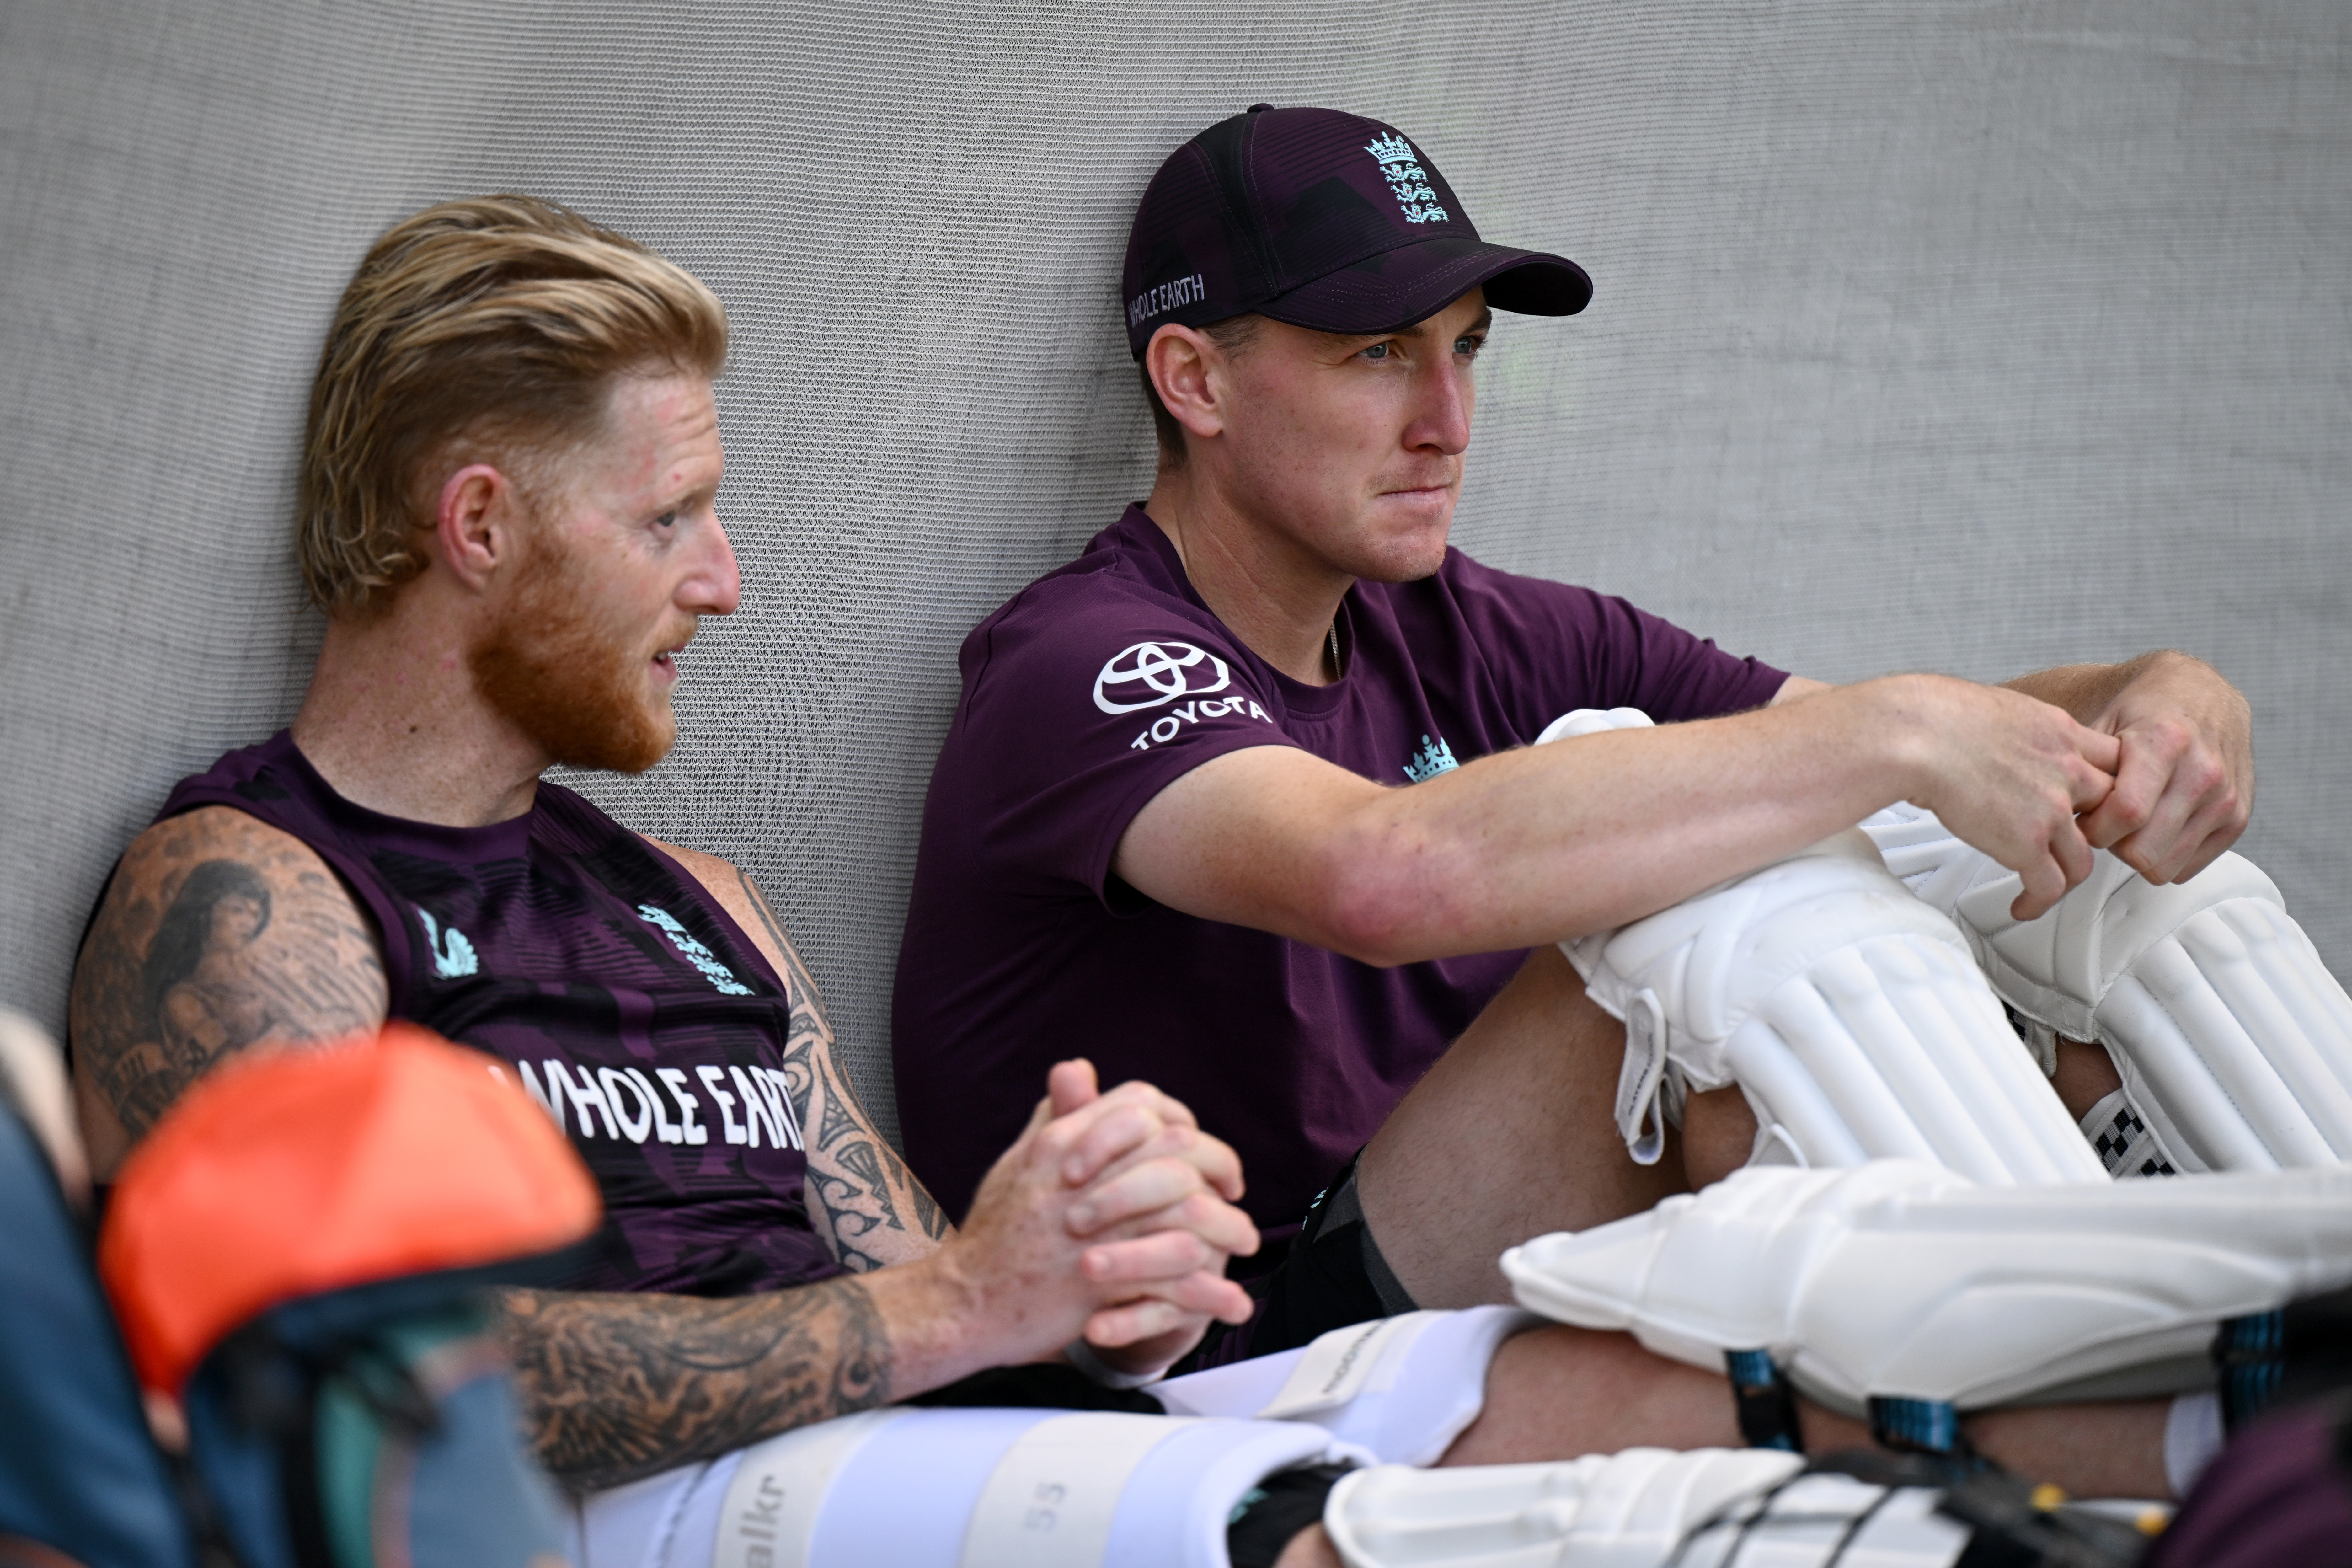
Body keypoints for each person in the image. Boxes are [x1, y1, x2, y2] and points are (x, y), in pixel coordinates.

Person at [59, 195, 2198, 1565]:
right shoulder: (251, 896)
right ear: (480, 527)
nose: (725, 581)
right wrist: (954, 1307)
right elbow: (333, 1412)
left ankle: (2240, 1467)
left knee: (1692, 1397)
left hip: (903, 1425)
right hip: (623, 1518)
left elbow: (933, 1288)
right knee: (1495, 1537)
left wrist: (1084, 1273)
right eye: (670, 522)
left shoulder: (692, 900)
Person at [889, 103, 2269, 1362]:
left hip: (1473, 1271)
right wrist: (1900, 733)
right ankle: (2108, 1387)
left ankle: (2259, 1352)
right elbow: (1378, 874)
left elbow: (1925, 775)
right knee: (1735, 891)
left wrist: (2155, 695)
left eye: (1465, 349)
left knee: (2104, 885)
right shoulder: (1082, 661)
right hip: (1230, 1359)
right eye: (1377, 354)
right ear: (1193, 381)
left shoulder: (1468, 623)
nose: (1445, 420)